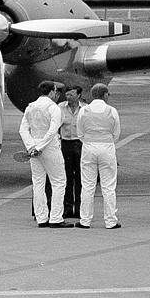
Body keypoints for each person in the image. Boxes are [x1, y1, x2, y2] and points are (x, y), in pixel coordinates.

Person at [19, 80, 72, 228]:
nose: (56, 94)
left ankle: (41, 217)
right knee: (59, 181)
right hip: (49, 147)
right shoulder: (53, 108)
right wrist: (39, 147)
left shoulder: (30, 107)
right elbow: (53, 130)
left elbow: (23, 130)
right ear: (51, 92)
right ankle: (56, 218)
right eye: (56, 91)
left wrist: (31, 147)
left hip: (34, 146)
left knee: (38, 182)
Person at [76, 83, 122, 229]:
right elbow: (116, 132)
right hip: (107, 147)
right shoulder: (111, 111)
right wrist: (107, 141)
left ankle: (85, 220)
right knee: (108, 186)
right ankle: (110, 220)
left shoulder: (84, 110)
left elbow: (80, 132)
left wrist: (89, 140)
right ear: (105, 94)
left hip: (89, 146)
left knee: (87, 185)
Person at [58, 84, 86, 219]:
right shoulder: (60, 108)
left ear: (78, 95)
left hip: (80, 143)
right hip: (66, 144)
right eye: (67, 94)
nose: (68, 97)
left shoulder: (85, 109)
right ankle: (68, 207)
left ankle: (79, 208)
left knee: (81, 177)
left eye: (71, 94)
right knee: (67, 177)